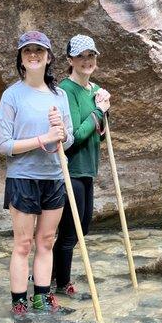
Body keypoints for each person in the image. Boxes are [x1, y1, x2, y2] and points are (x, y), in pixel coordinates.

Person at [0, 30, 73, 317]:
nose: (33, 55)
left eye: (39, 50)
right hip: (23, 178)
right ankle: (19, 301)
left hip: (53, 177)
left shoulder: (60, 96)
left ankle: (41, 297)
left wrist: (62, 132)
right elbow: (4, 145)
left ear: (48, 56)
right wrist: (43, 138)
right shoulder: (12, 95)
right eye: (27, 50)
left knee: (46, 241)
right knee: (24, 244)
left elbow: (70, 140)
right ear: (21, 57)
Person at [52, 34, 110, 297]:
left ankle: (49, 272)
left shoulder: (94, 91)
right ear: (70, 60)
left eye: (91, 56)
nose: (87, 61)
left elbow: (100, 134)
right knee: (69, 231)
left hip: (88, 169)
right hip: (71, 168)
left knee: (83, 228)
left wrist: (104, 111)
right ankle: (62, 284)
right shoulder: (67, 90)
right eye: (81, 56)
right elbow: (75, 134)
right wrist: (98, 112)